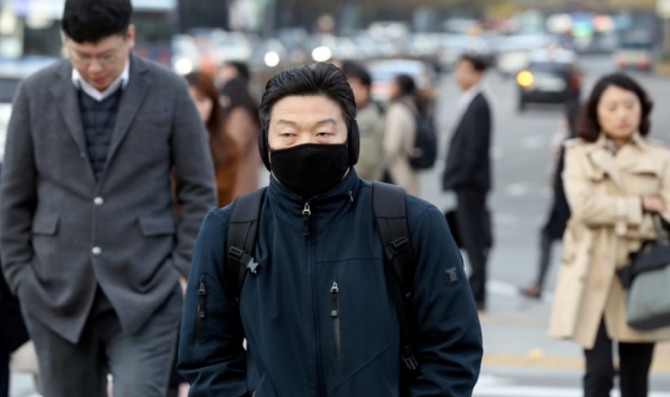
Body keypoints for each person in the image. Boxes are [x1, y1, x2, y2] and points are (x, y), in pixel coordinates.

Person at [177, 62, 483, 396]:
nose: (306, 146)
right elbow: (207, 358)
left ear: (350, 138)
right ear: (267, 142)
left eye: (323, 133)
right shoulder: (227, 231)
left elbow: (452, 351)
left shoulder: (413, 223)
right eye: (288, 134)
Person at [0, 1, 216, 396]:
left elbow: (199, 187)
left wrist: (183, 269)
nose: (94, 67)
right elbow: (13, 192)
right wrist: (18, 273)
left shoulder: (169, 91)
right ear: (66, 42)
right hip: (53, 291)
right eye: (82, 55)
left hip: (147, 290)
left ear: (130, 37)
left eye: (106, 56)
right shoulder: (35, 92)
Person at [549, 72, 670, 397]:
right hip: (592, 276)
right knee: (598, 374)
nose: (622, 114)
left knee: (636, 379)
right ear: (596, 112)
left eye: (630, 106)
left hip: (641, 275)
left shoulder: (660, 157)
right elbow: (584, 208)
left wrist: (615, 210)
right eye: (612, 106)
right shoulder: (577, 152)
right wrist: (642, 205)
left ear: (642, 110)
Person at [442, 53, 493, 310]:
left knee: (474, 238)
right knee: (470, 236)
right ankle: (476, 288)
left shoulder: (479, 104)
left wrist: (460, 177)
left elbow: (475, 149)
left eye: (463, 70)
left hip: (471, 184)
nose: (457, 75)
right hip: (467, 183)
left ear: (477, 73)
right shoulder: (471, 101)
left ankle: (478, 291)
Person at [520, 97, 580, 299]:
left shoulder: (571, 145)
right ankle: (541, 284)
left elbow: (563, 181)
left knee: (554, 242)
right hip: (565, 207)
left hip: (565, 208)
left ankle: (542, 285)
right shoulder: (570, 140)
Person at [186, 71, 241, 207]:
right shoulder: (165, 143)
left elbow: (222, 195)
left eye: (201, 100)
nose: (195, 107)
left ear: (214, 103)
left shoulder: (228, 146)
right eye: (189, 101)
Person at [340, 60, 385, 181]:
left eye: (351, 85)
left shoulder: (365, 119)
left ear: (365, 89)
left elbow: (364, 164)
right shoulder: (358, 115)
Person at [220, 70, 262, 197]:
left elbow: (233, 146)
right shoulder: (247, 112)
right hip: (248, 176)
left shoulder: (239, 116)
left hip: (239, 179)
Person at [383, 74, 420, 195]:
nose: (390, 88)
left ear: (399, 88)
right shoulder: (411, 106)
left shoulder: (397, 111)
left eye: (393, 85)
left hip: (398, 173)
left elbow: (391, 146)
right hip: (410, 170)